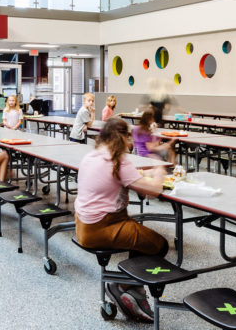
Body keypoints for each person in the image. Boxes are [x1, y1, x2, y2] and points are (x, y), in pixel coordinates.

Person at [74, 118, 168, 322]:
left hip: (83, 225)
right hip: (102, 227)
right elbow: (153, 190)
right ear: (122, 137)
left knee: (139, 236)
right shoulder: (118, 160)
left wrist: (138, 174)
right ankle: (123, 285)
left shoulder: (91, 155)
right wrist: (159, 171)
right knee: (159, 245)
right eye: (128, 136)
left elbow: (116, 179)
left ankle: (133, 290)